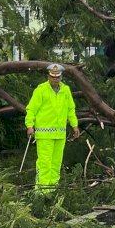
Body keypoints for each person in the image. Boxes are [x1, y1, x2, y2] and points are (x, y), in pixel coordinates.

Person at [25, 63, 80, 193]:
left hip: (60, 134)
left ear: (61, 77)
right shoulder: (40, 90)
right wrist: (29, 125)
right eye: (52, 77)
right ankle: (42, 192)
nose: (55, 79)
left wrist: (74, 125)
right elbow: (31, 109)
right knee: (44, 164)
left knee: (56, 164)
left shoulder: (65, 90)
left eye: (57, 77)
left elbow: (70, 109)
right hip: (44, 135)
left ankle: (53, 191)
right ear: (48, 76)